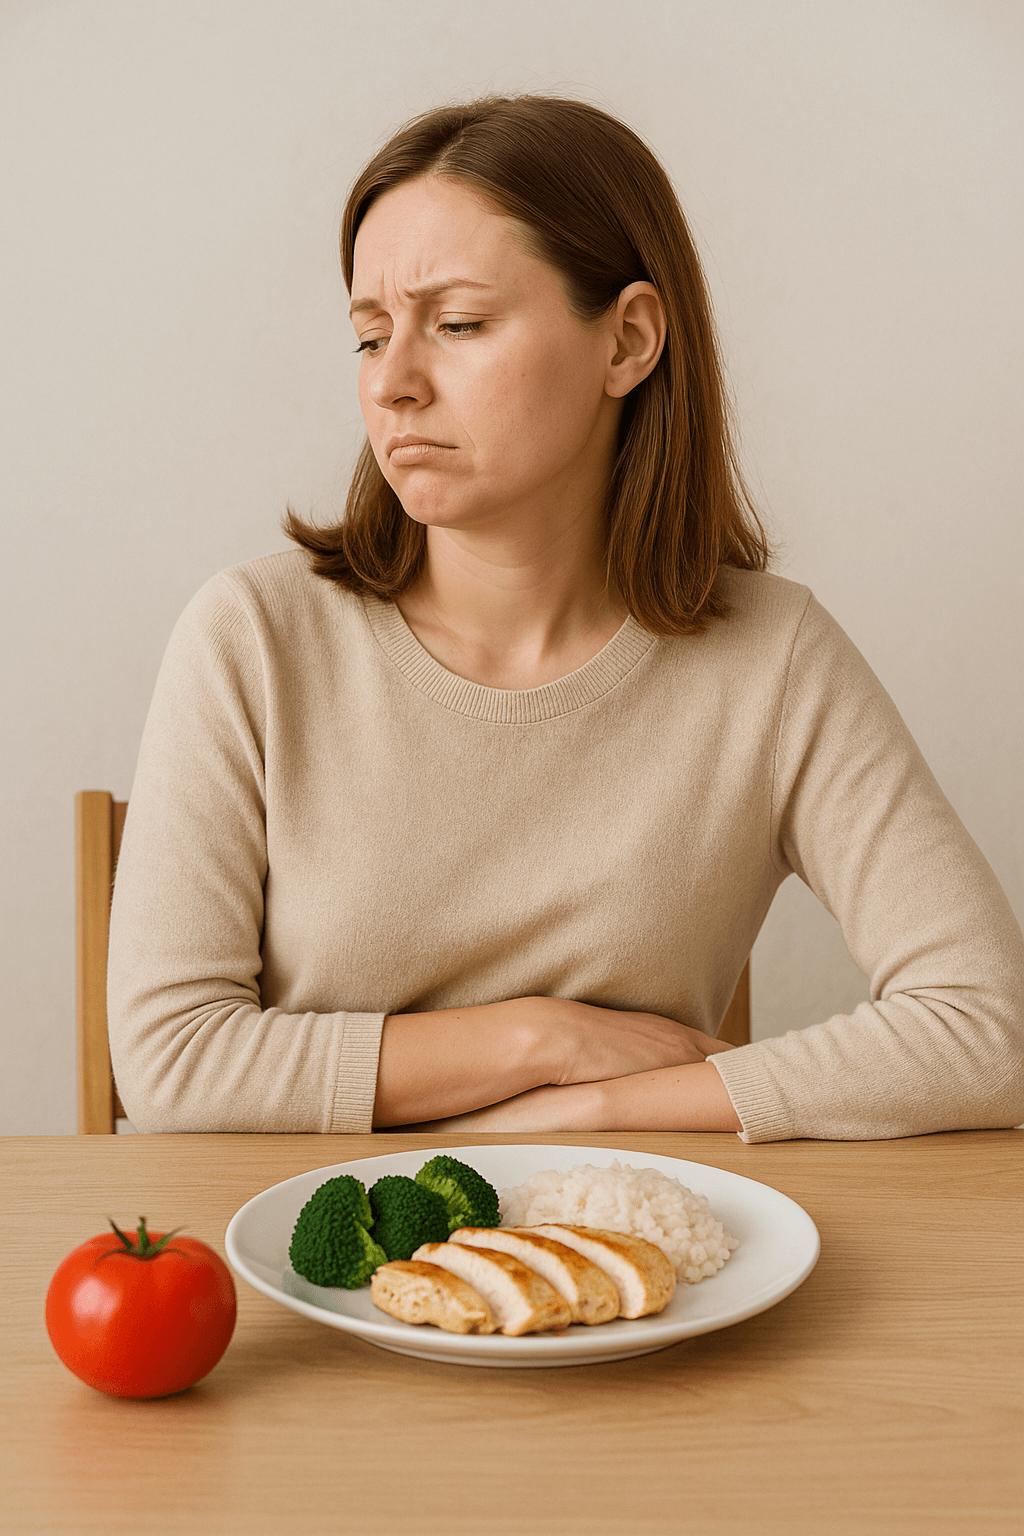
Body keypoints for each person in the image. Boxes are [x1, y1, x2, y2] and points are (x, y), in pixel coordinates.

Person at [107, 95, 1024, 1140]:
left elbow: (987, 1032)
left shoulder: (773, 660)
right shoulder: (251, 640)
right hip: (296, 1273)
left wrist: (595, 1109)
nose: (394, 384)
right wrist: (541, 1041)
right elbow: (172, 1063)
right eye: (369, 337)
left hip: (630, 1274)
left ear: (627, 341)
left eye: (456, 325)